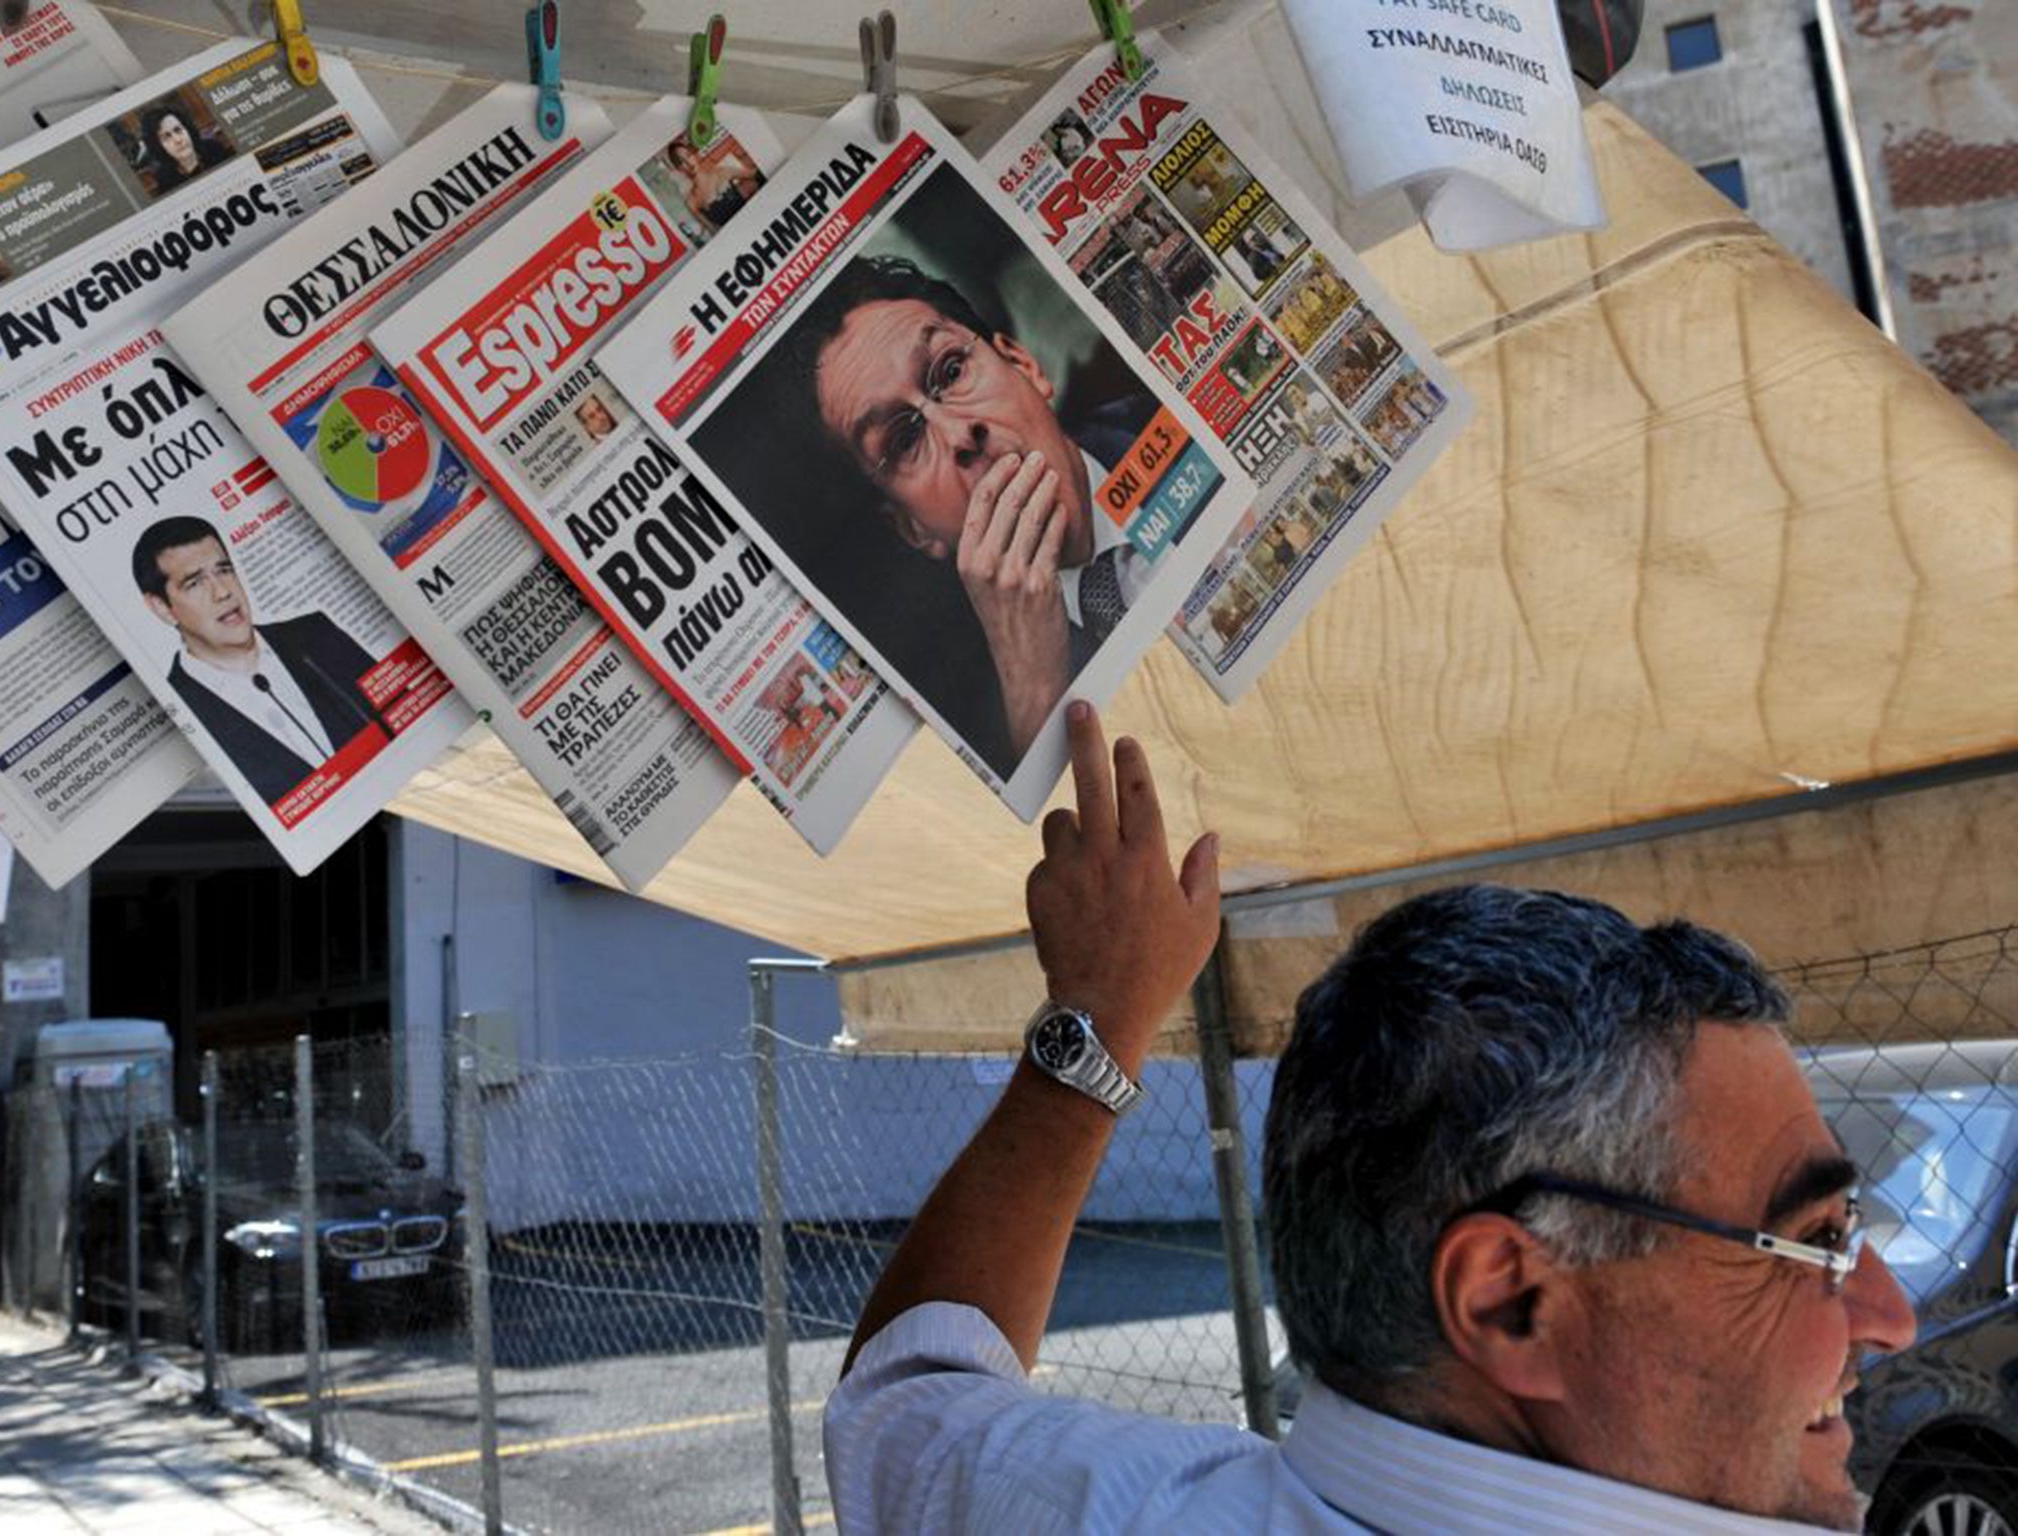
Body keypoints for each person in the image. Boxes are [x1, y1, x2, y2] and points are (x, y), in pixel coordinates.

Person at [825, 703, 1918, 1534]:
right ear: (1508, 1300)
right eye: (1814, 1241)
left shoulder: (1114, 1508)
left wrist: (1097, 1021)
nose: (1887, 1309)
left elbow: (909, 1401)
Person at [785, 255, 1160, 765]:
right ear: (912, 528)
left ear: (1025, 366)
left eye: (952, 370)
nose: (961, 435)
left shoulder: (1165, 427)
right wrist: (1034, 689)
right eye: (904, 439)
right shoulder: (977, 718)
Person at [133, 516, 388, 802]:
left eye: (225, 570)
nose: (223, 592)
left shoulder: (316, 635)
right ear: (161, 607)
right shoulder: (176, 712)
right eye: (194, 583)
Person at [663, 137, 763, 232]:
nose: (688, 162)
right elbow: (714, 231)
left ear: (694, 156)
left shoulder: (721, 172)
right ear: (679, 169)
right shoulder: (692, 201)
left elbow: (757, 174)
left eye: (688, 155)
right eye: (681, 162)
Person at [140, 103, 230, 193]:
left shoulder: (213, 148)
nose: (178, 140)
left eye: (178, 130)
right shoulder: (164, 178)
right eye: (166, 137)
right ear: (158, 146)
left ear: (187, 129)